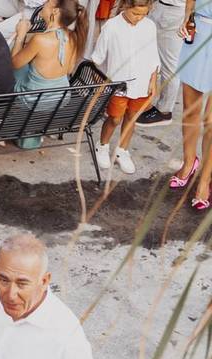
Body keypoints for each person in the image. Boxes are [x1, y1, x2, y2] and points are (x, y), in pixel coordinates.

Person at [90, 0, 160, 175]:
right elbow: (97, 59)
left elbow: (153, 55)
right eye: (135, 13)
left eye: (143, 14)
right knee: (114, 118)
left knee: (132, 117)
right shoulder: (111, 27)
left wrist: (153, 81)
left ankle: (122, 150)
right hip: (118, 83)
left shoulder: (149, 26)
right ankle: (103, 146)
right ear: (125, 7)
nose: (139, 18)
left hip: (142, 82)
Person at [11, 0, 88, 148]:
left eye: (48, 2)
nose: (44, 3)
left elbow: (14, 64)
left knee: (11, 60)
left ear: (55, 11)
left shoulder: (40, 39)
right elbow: (69, 69)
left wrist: (21, 35)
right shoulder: (74, 36)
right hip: (60, 97)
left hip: (35, 100)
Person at [169, 0, 212, 210]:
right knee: (190, 110)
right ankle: (189, 162)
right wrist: (187, 15)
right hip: (199, 32)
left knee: (211, 121)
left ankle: (205, 179)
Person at [136, 0, 186, 127]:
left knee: (169, 65)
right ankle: (142, 101)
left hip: (173, 12)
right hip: (162, 7)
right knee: (148, 56)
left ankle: (164, 111)